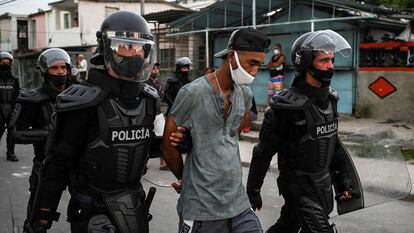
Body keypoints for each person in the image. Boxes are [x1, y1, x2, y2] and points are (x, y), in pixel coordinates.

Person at [24, 11, 160, 233]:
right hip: (93, 209)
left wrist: (175, 143)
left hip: (134, 206)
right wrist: (41, 217)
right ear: (107, 48)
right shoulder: (83, 101)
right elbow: (58, 164)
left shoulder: (148, 99)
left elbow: (140, 144)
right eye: (124, 46)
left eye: (138, 47)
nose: (133, 53)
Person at [246, 30, 358, 233]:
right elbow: (263, 152)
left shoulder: (330, 101)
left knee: (287, 226)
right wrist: (254, 188)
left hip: (322, 185)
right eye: (324, 60)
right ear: (305, 62)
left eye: (331, 60)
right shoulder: (285, 107)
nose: (330, 66)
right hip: (297, 187)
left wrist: (344, 181)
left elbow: (333, 146)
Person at [162, 28, 270, 233]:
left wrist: (207, 137)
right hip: (201, 210)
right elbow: (168, 146)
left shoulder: (245, 95)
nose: (255, 71)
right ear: (231, 57)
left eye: (260, 65)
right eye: (252, 63)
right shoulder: (192, 93)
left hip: (238, 205)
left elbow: (232, 134)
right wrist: (186, 180)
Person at [8, 48, 72, 228]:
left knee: (86, 219)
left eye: (63, 67)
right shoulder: (34, 100)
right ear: (45, 71)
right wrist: (48, 132)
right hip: (46, 165)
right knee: (38, 221)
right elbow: (16, 133)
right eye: (54, 68)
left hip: (77, 166)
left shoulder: (79, 96)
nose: (60, 71)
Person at [146, 62, 168, 170]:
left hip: (158, 115)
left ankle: (163, 162)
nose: (156, 70)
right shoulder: (144, 83)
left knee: (164, 137)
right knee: (146, 139)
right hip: (147, 115)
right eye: (153, 68)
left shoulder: (156, 84)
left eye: (157, 68)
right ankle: (143, 162)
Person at [0, 51, 20, 161]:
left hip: (11, 108)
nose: (5, 64)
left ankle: (10, 153)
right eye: (3, 63)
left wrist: (16, 109)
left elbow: (17, 95)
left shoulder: (15, 80)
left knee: (12, 132)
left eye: (8, 63)